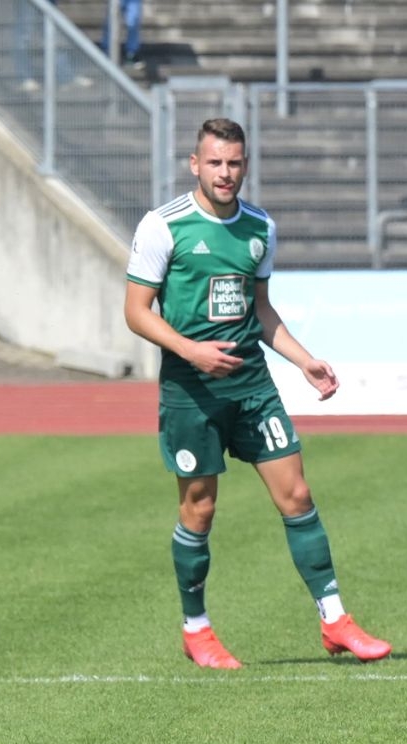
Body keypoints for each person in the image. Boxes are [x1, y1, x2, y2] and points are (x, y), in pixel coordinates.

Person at [123, 117, 389, 668]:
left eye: (234, 163)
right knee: (200, 510)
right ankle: (196, 630)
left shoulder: (260, 227)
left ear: (245, 165)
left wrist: (304, 360)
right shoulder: (163, 226)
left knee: (298, 496)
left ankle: (335, 620)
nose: (225, 173)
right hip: (191, 392)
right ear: (195, 165)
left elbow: (261, 310)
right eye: (214, 162)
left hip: (253, 388)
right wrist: (192, 351)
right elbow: (136, 312)